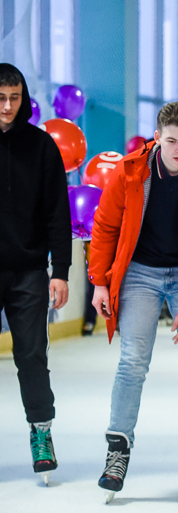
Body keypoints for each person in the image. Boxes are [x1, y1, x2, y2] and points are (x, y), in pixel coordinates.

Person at [89, 102, 178, 503]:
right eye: (171, 141)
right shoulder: (131, 173)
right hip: (139, 272)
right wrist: (100, 283)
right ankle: (117, 452)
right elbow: (105, 227)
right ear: (157, 138)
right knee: (133, 360)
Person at [0, 63, 71, 485]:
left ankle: (41, 433)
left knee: (31, 356)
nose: (7, 106)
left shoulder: (42, 146)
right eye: (0, 97)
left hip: (28, 270)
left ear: (23, 97)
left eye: (13, 97)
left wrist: (59, 271)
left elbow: (58, 214)